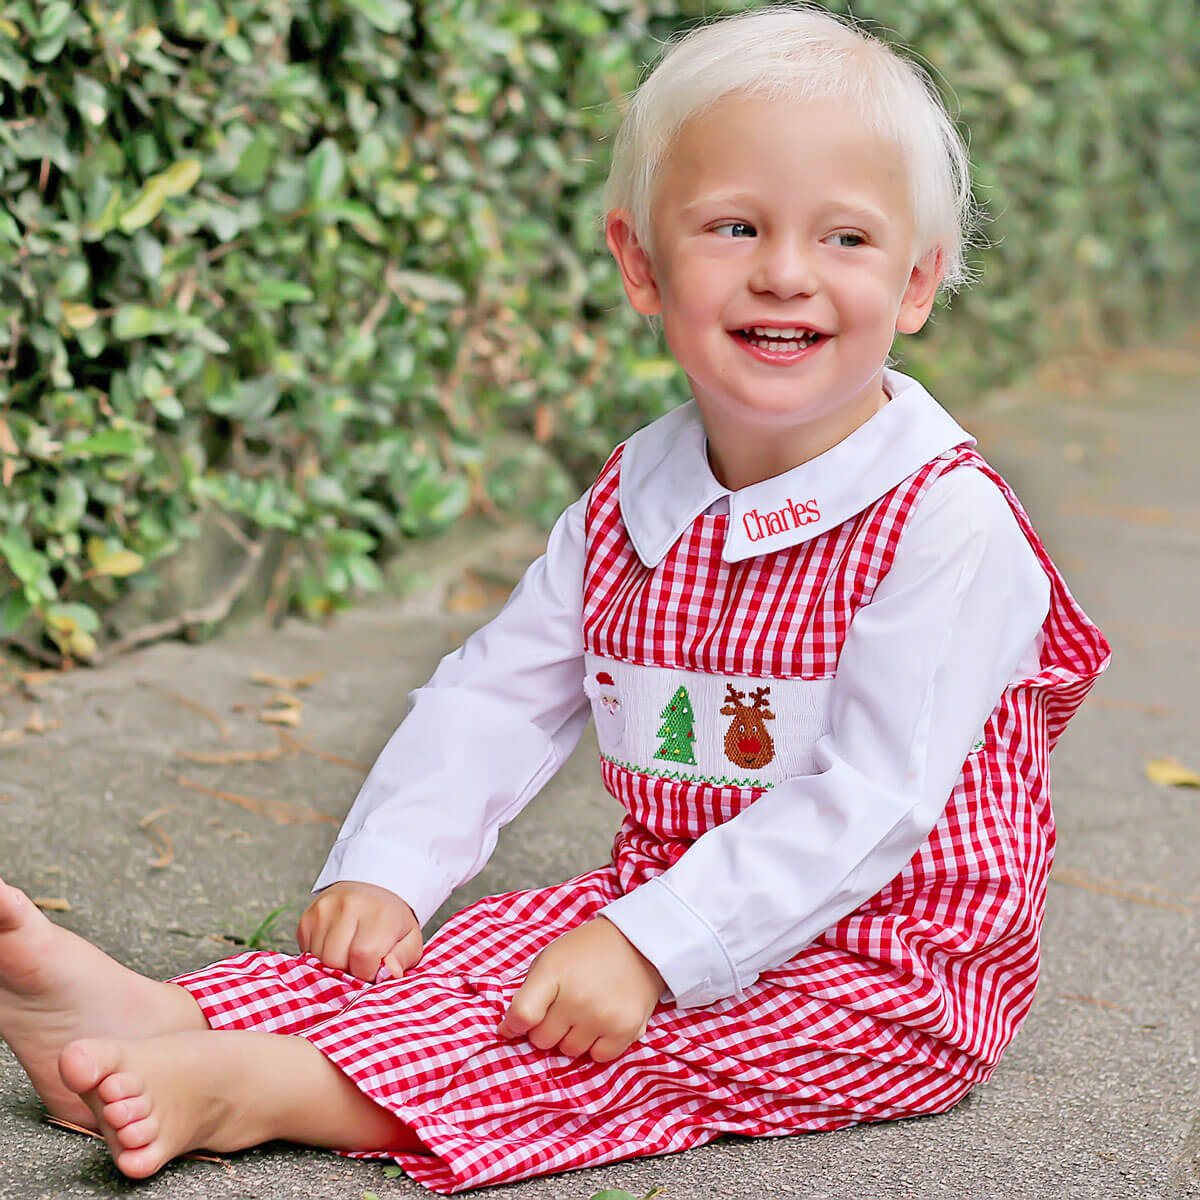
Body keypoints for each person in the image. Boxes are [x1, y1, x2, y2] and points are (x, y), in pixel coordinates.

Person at [0, 4, 1109, 1193]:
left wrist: (649, 946)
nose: (786, 272)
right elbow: (499, 695)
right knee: (481, 955)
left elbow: (871, 804)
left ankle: (262, 1090)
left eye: (845, 237)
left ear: (916, 281)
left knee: (604, 1048)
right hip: (663, 895)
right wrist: (388, 867)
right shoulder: (637, 495)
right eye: (734, 225)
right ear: (642, 263)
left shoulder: (946, 520)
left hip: (885, 973)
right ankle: (166, 1018)